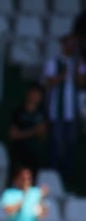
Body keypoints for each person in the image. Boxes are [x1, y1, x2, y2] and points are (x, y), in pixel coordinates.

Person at [43, 34, 85, 183]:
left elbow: (81, 84)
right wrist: (62, 75)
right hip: (57, 111)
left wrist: (78, 72)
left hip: (72, 112)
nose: (72, 47)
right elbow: (48, 83)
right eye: (70, 44)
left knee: (71, 143)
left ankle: (67, 176)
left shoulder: (78, 63)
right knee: (57, 143)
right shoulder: (54, 62)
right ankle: (54, 175)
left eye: (75, 44)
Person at [7, 84, 47, 183]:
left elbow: (42, 135)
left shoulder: (42, 113)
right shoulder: (18, 111)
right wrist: (33, 132)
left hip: (34, 156)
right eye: (35, 94)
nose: (36, 97)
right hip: (18, 155)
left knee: (31, 186)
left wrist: (39, 132)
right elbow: (13, 135)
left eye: (39, 95)